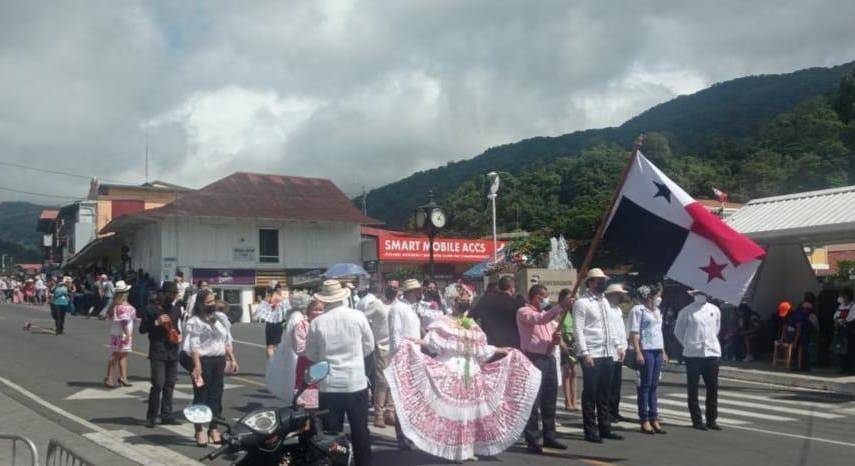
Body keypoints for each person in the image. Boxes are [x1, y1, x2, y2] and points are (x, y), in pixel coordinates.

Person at [385, 283, 538, 462]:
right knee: (454, 412)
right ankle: (454, 448)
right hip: (450, 370)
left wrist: (499, 349)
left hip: (471, 371)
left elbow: (480, 349)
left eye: (466, 299)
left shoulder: (470, 324)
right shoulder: (443, 322)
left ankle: (466, 448)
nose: (465, 302)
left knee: (469, 411)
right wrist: (417, 342)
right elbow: (434, 343)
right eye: (461, 300)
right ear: (453, 301)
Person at [305, 280, 374, 466]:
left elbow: (310, 354)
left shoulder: (317, 322)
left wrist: (325, 356)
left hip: (329, 385)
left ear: (324, 299)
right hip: (355, 382)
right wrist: (355, 357)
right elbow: (369, 346)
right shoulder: (357, 316)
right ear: (342, 297)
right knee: (360, 430)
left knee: (331, 433)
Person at [573, 268, 624, 443]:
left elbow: (609, 326)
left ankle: (605, 428)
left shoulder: (605, 302)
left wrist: (618, 345)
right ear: (590, 282)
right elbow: (578, 329)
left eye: (603, 280)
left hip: (607, 352)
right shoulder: (582, 303)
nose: (602, 283)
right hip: (591, 352)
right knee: (591, 392)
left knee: (604, 392)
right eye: (599, 280)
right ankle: (590, 431)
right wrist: (585, 352)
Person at [183, 289, 239, 446]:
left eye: (213, 301)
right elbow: (194, 346)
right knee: (201, 395)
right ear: (201, 304)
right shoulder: (195, 321)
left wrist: (232, 359)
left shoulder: (218, 319)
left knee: (216, 395)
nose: (212, 304)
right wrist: (197, 366)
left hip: (219, 360)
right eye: (208, 302)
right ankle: (199, 430)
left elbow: (225, 341)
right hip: (203, 360)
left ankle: (214, 428)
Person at [517, 284, 567, 453]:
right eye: (543, 296)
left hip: (549, 358)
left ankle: (549, 436)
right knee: (534, 400)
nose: (545, 299)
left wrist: (556, 339)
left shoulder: (547, 316)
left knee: (549, 398)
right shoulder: (524, 312)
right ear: (536, 296)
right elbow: (540, 319)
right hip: (534, 359)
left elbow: (549, 330)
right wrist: (560, 306)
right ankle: (532, 438)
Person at [674, 290, 722, 431]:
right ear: (693, 295)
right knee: (693, 388)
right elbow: (678, 332)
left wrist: (710, 342)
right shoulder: (686, 311)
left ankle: (711, 419)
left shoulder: (715, 310)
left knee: (712, 387)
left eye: (703, 292)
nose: (701, 295)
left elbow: (716, 329)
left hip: (711, 353)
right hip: (693, 355)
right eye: (698, 293)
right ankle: (697, 420)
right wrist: (688, 344)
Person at [139, 281, 182, 428]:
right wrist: (156, 323)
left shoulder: (177, 309)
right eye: (170, 294)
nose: (172, 297)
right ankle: (151, 416)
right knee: (158, 384)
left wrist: (179, 335)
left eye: (174, 294)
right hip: (158, 350)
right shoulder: (151, 309)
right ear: (162, 294)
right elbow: (142, 329)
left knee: (170, 384)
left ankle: (166, 415)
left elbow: (178, 327)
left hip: (173, 350)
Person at [629, 285, 668, 434]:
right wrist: (638, 352)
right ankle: (644, 419)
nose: (659, 298)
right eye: (657, 295)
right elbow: (634, 333)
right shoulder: (638, 310)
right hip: (646, 349)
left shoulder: (656, 311)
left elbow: (659, 332)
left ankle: (654, 417)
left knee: (654, 385)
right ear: (648, 296)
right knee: (645, 385)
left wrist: (663, 351)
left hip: (657, 349)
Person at [266, 291, 312, 405]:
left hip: (291, 349)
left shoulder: (294, 315)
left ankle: (295, 398)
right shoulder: (297, 317)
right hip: (295, 351)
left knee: (292, 376)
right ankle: (296, 400)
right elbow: (297, 336)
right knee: (295, 376)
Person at [366, 286, 396, 428]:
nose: (393, 289)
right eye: (391, 286)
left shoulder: (399, 305)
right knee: (382, 381)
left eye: (396, 287)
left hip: (396, 347)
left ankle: (390, 411)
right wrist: (371, 337)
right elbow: (364, 319)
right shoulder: (377, 304)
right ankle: (378, 414)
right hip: (382, 346)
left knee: (394, 380)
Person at [469, 275, 524, 349]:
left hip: (491, 345)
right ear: (511, 289)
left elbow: (470, 318)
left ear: (499, 288)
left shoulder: (485, 301)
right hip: (513, 346)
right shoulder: (518, 303)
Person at [605, 284, 630, 425]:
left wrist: (624, 346)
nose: (619, 296)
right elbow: (611, 330)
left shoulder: (618, 309)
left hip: (620, 351)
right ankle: (607, 412)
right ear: (611, 294)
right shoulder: (606, 309)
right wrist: (618, 345)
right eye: (617, 294)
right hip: (611, 350)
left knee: (616, 384)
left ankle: (615, 410)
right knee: (609, 384)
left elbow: (621, 329)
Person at [104, 281, 135, 388]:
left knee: (121, 355)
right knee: (117, 355)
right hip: (123, 334)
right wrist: (127, 334)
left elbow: (110, 315)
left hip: (116, 332)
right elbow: (123, 322)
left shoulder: (116, 305)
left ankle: (122, 377)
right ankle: (110, 378)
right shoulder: (123, 306)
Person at [558, 288, 579, 411]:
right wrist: (561, 342)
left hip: (574, 343)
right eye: (568, 298)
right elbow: (556, 328)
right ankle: (568, 401)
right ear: (562, 299)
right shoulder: (559, 312)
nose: (571, 300)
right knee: (567, 372)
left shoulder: (574, 311)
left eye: (572, 298)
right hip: (564, 343)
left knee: (574, 372)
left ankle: (574, 400)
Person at [256, 283, 290, 359]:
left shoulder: (267, 298)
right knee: (276, 346)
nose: (281, 290)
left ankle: (270, 362)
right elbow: (287, 312)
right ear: (277, 289)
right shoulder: (280, 298)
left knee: (269, 346)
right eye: (280, 288)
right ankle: (276, 362)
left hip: (269, 324)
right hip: (278, 323)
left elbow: (259, 311)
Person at [832, 289, 854, 374]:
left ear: (847, 296)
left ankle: (851, 369)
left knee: (850, 350)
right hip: (840, 330)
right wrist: (836, 321)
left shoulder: (853, 306)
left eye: (842, 295)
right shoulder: (840, 306)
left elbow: (851, 317)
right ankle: (843, 367)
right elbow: (835, 315)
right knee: (840, 349)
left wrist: (841, 321)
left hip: (850, 331)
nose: (841, 297)